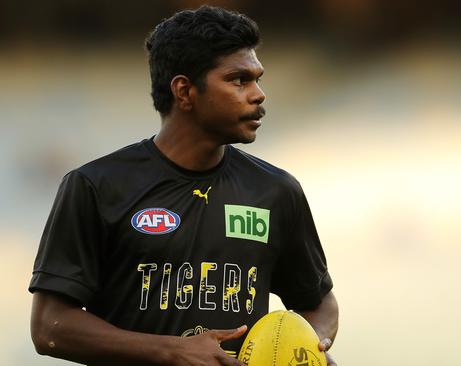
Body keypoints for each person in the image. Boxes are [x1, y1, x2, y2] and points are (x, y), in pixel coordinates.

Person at [28, 5, 338, 366]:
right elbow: (50, 327)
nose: (258, 94)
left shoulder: (276, 191)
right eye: (239, 80)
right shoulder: (96, 186)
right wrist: (173, 350)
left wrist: (308, 348)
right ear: (184, 91)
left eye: (258, 79)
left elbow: (318, 303)